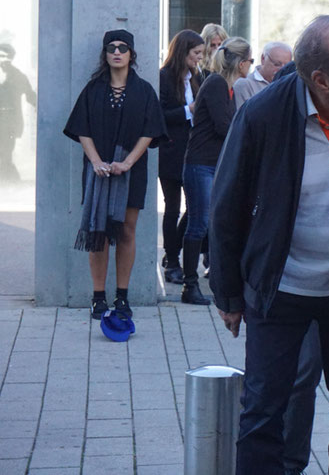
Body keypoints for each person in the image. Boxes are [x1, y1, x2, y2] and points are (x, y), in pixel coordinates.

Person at [209, 16, 329, 475]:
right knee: (263, 411)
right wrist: (229, 294)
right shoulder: (263, 115)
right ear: (321, 80)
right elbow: (226, 206)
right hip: (281, 290)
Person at [63, 29, 167, 319]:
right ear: (105, 54)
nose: (117, 52)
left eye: (123, 47)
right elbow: (82, 128)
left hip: (131, 171)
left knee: (125, 231)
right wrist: (95, 161)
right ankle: (98, 298)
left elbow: (151, 130)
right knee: (97, 232)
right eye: (112, 48)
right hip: (98, 170)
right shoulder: (93, 89)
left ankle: (122, 297)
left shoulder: (144, 90)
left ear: (132, 54)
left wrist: (129, 162)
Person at [181, 36, 252, 306]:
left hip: (212, 164)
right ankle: (189, 285)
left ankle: (199, 280)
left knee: (206, 223)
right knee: (199, 224)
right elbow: (225, 127)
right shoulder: (216, 84)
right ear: (242, 62)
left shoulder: (227, 86)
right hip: (201, 163)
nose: (251, 66)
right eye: (251, 61)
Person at [158, 29, 205, 285]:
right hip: (171, 151)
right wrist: (189, 110)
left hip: (194, 151)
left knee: (196, 207)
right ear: (183, 51)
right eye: (196, 53)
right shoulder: (165, 77)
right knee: (172, 208)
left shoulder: (197, 77)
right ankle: (172, 261)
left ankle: (173, 252)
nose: (200, 57)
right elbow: (160, 114)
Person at [0, 43, 36, 181]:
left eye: (4, 56)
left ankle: (10, 181)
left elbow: (30, 95)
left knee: (5, 153)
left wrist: (42, 108)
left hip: (9, 122)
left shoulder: (17, 75)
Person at [233, 41, 292, 108]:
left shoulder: (290, 85)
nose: (281, 70)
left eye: (287, 66)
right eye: (277, 64)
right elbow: (241, 116)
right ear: (263, 59)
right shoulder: (245, 84)